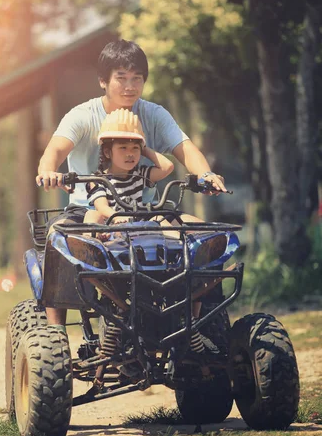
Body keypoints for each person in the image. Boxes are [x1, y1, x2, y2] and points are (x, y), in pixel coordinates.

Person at [36, 39, 227, 326]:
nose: (130, 86)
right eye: (121, 78)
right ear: (103, 81)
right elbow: (54, 151)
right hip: (87, 210)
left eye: (137, 78)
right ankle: (54, 332)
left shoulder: (153, 114)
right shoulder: (83, 115)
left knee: (204, 238)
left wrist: (206, 175)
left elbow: (185, 150)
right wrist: (49, 171)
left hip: (142, 209)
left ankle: (202, 324)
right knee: (58, 238)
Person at [83, 108, 175, 231]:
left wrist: (144, 148)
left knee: (158, 218)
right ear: (107, 152)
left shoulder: (139, 174)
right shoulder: (97, 180)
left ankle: (177, 246)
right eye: (123, 148)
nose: (130, 154)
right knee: (92, 215)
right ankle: (90, 245)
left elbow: (167, 167)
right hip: (110, 228)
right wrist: (116, 217)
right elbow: (102, 207)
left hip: (138, 227)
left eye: (135, 148)